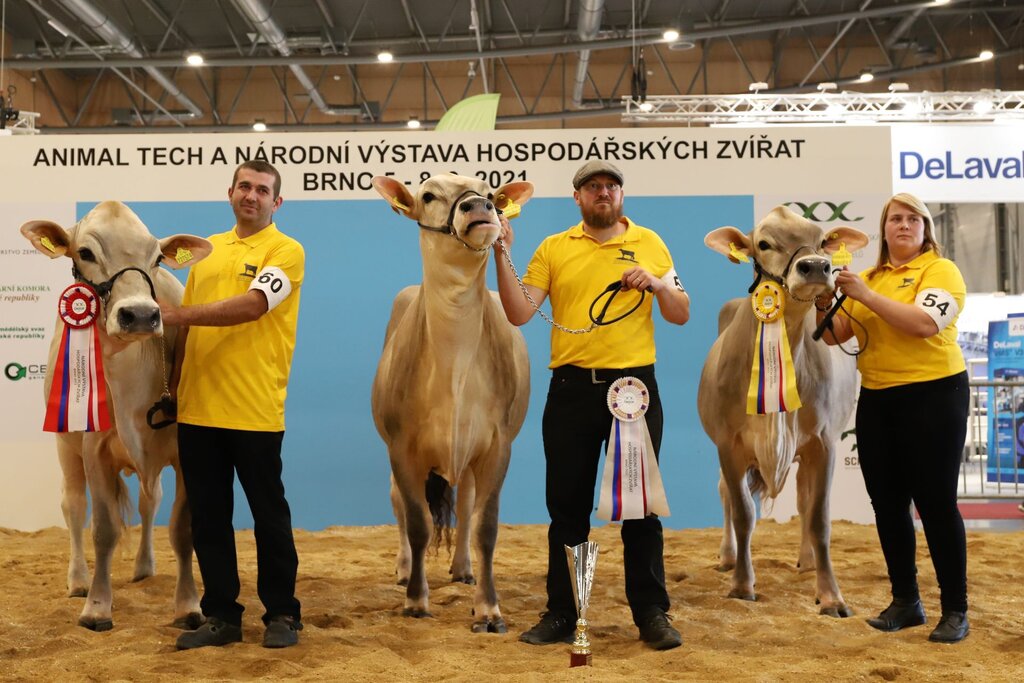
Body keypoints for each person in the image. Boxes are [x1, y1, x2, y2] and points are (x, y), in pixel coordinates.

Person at [494, 159, 690, 650]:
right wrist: (501, 251)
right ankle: (564, 611)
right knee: (567, 510)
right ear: (577, 197)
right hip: (571, 390)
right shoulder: (553, 247)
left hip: (634, 391)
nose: (604, 192)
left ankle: (651, 613)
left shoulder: (650, 243)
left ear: (621, 196)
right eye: (593, 186)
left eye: (611, 186)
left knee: (640, 510)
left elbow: (681, 313)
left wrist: (658, 284)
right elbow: (518, 312)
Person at [161, 160, 305, 650]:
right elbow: (185, 329)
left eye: (262, 190)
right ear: (230, 193)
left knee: (269, 516)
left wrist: (174, 313)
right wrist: (173, 388)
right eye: (245, 186)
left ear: (276, 202)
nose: (252, 195)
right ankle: (222, 616)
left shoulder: (286, 251)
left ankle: (283, 613)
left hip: (255, 408)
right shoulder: (204, 251)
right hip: (198, 408)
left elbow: (253, 306)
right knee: (208, 518)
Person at [817, 192, 969, 644]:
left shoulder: (939, 270)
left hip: (934, 394)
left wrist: (864, 295)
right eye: (895, 218)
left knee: (937, 505)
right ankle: (906, 601)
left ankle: (955, 609)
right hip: (878, 398)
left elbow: (924, 324)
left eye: (913, 219)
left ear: (925, 229)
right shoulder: (867, 277)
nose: (904, 225)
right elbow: (835, 335)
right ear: (883, 229)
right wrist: (825, 299)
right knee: (887, 504)